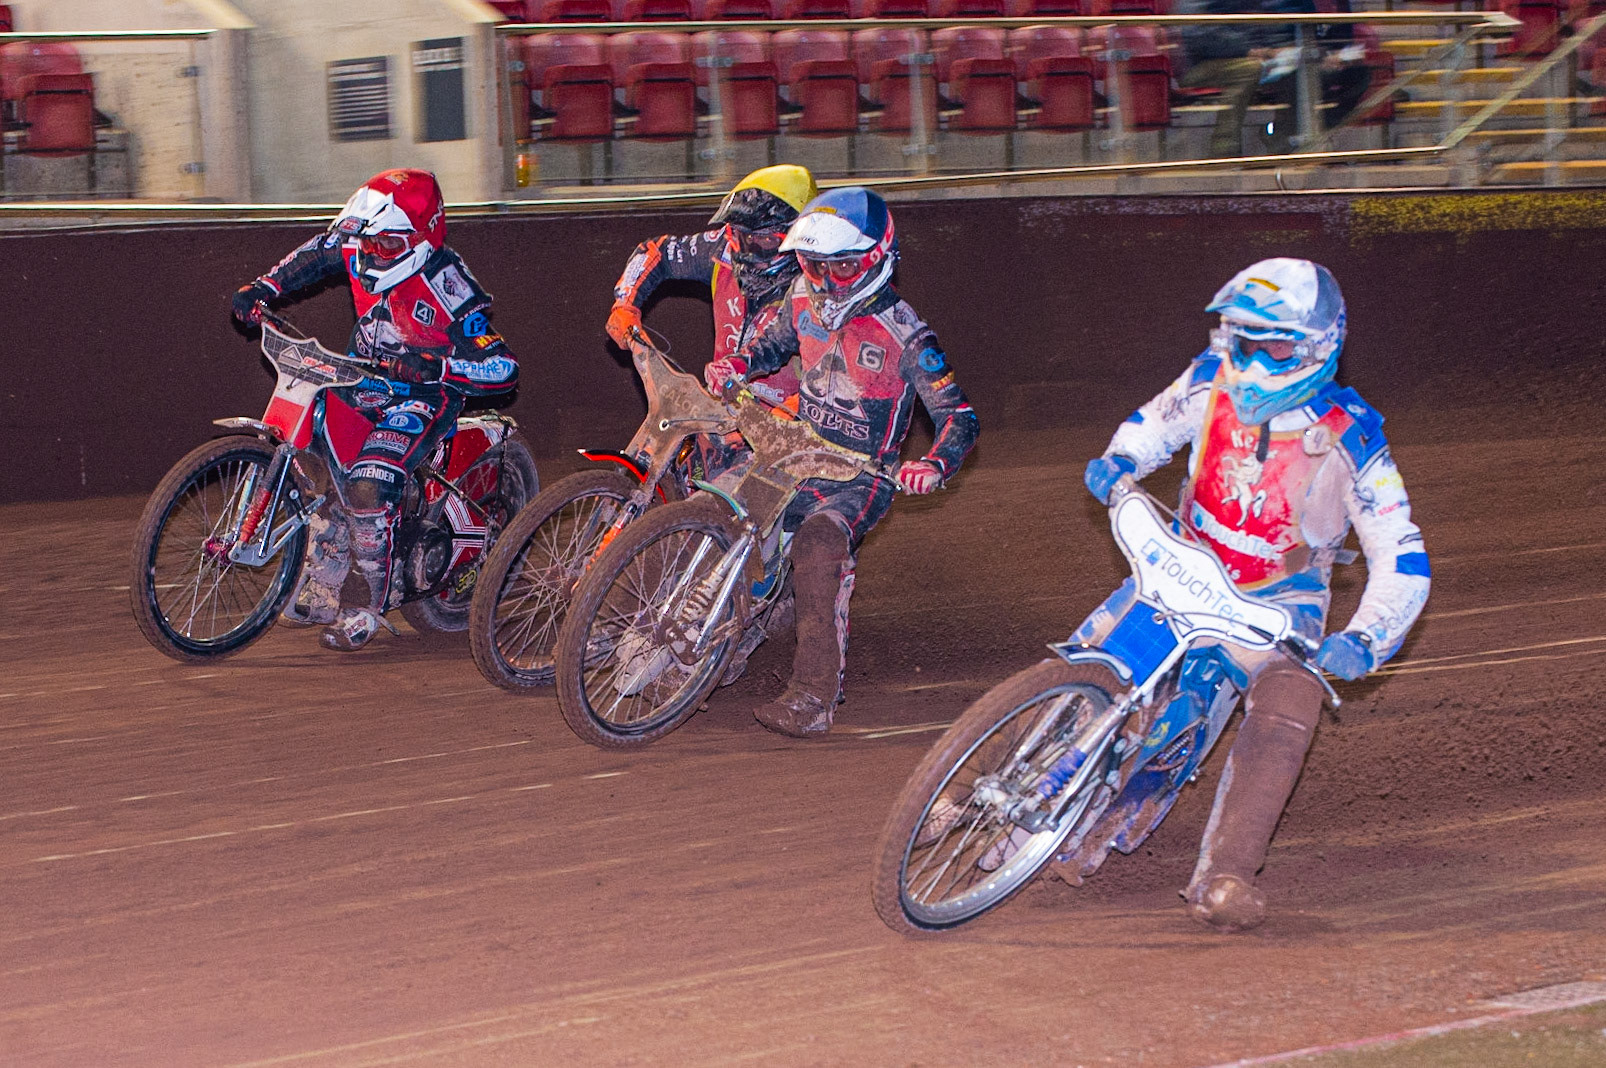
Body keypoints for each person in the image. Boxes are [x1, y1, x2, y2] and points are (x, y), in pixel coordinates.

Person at [1081, 257, 1429, 931]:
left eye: (1276, 345)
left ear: (1318, 345)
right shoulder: (1210, 376)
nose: (1256, 360)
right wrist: (1123, 458)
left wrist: (1367, 637)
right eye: (1245, 340)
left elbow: (1402, 553)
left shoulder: (1352, 431)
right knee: (1096, 659)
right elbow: (1155, 423)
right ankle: (999, 799)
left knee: (1288, 697)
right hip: (1186, 560)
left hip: (1281, 596)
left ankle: (1226, 872)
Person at [706, 187, 979, 738]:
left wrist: (933, 464)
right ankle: (705, 633)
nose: (827, 282)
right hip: (796, 448)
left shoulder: (907, 334)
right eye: (812, 265)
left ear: (878, 259)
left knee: (819, 544)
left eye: (844, 268)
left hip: (859, 476)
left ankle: (814, 695)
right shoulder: (802, 297)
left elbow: (960, 415)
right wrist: (739, 361)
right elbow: (774, 345)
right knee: (711, 504)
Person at [231, 168, 517, 651]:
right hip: (362, 379)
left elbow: (503, 366)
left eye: (384, 246)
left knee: (368, 483)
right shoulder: (359, 244)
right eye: (365, 243)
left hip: (425, 396)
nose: (368, 255)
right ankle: (324, 576)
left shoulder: (448, 285)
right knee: (311, 448)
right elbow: (319, 252)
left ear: (423, 240)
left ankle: (368, 599)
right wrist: (263, 288)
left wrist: (436, 367)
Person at [606, 164, 819, 477]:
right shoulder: (723, 247)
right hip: (721, 405)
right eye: (739, 235)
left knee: (758, 515)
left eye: (762, 240)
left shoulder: (825, 285)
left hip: (789, 422)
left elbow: (839, 379)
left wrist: (787, 415)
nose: (747, 249)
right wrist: (625, 305)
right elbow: (655, 251)